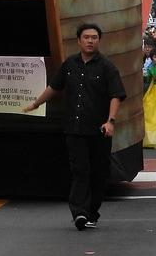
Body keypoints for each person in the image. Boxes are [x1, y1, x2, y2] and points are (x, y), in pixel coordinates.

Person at [24, 22, 126, 230]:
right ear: (79, 40)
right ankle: (79, 212)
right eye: (86, 37)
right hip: (74, 129)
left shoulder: (107, 67)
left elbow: (116, 95)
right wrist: (35, 104)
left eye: (94, 37)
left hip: (99, 130)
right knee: (80, 170)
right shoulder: (69, 64)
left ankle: (92, 211)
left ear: (99, 41)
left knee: (99, 172)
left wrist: (111, 121)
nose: (90, 41)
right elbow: (54, 86)